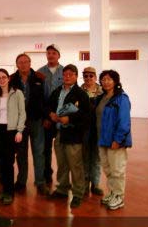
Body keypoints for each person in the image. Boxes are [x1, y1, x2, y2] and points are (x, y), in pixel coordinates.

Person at [48, 64, 89, 208]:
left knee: (75, 165)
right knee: (62, 164)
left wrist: (70, 119)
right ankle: (62, 189)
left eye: (71, 74)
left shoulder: (81, 94)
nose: (67, 77)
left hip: (73, 134)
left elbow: (86, 116)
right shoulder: (57, 91)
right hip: (59, 133)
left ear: (76, 76)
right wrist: (51, 114)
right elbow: (49, 106)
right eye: (65, 74)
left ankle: (78, 193)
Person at [10, 53, 49, 195]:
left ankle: (40, 182)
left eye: (26, 61)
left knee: (39, 152)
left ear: (30, 63)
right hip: (19, 123)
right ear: (17, 64)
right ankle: (21, 181)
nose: (23, 64)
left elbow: (46, 99)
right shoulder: (12, 80)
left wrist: (46, 117)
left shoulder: (40, 78)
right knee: (21, 153)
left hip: (36, 121)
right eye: (20, 62)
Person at [96, 70, 132, 210]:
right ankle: (112, 193)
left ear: (115, 81)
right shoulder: (102, 97)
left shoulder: (122, 98)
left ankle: (119, 197)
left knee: (117, 170)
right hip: (102, 139)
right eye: (103, 79)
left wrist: (117, 140)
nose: (106, 82)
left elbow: (124, 122)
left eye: (109, 79)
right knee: (108, 168)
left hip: (115, 141)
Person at [0, 68, 26, 205]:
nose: (1, 80)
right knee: (2, 161)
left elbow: (22, 113)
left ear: (8, 78)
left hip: (11, 131)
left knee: (9, 162)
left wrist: (19, 131)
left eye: (3, 77)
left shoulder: (17, 93)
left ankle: (9, 192)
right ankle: (5, 190)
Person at [37, 44, 64, 184]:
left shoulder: (66, 72)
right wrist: (47, 116)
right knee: (45, 148)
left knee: (62, 149)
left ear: (59, 55)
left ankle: (63, 177)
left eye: (54, 53)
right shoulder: (39, 73)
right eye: (48, 53)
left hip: (62, 117)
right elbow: (38, 98)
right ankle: (47, 173)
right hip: (46, 117)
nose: (51, 55)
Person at [80, 66, 104, 196]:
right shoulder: (78, 91)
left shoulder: (102, 91)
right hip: (84, 129)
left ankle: (95, 184)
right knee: (84, 157)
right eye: (86, 76)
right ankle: (84, 184)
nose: (88, 78)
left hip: (98, 129)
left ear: (95, 77)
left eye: (91, 75)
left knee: (96, 157)